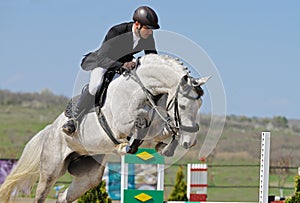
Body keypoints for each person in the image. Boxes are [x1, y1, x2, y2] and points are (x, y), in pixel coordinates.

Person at [62, 6, 160, 136]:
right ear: (137, 24)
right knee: (95, 86)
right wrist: (122, 65)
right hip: (104, 62)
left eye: (152, 29)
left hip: (124, 66)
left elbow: (152, 58)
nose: (150, 32)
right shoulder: (117, 31)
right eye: (147, 28)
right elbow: (102, 57)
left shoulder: (147, 37)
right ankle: (73, 119)